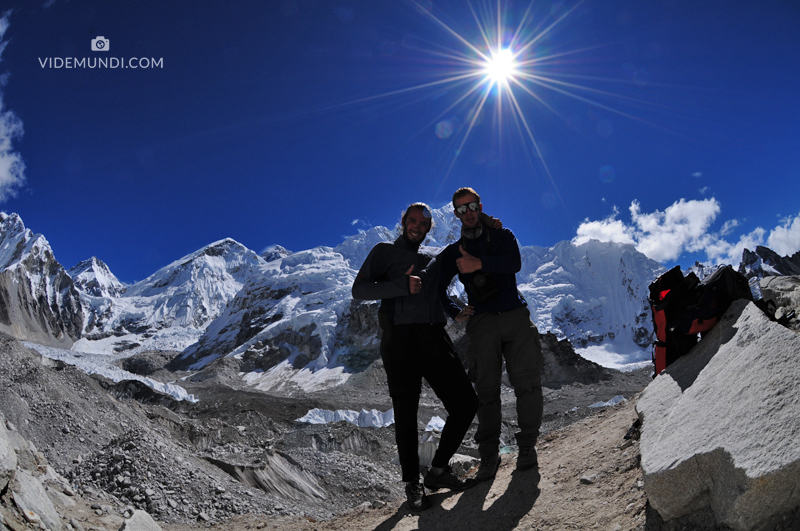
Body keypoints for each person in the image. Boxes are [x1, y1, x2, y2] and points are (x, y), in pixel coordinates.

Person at [351, 202, 481, 512]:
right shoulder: (384, 252)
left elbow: (439, 294)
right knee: (406, 415)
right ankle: (412, 485)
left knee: (466, 403)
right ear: (403, 222)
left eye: (424, 224)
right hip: (400, 342)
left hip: (434, 337)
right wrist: (399, 286)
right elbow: (359, 290)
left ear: (428, 229)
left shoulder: (430, 260)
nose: (417, 227)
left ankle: (437, 471)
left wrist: (454, 313)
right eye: (413, 221)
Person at [436, 187, 544, 482]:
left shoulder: (502, 236)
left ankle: (527, 448)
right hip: (482, 322)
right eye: (461, 209)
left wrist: (479, 264)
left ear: (479, 206)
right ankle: (488, 456)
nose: (467, 212)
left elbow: (515, 263)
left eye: (471, 206)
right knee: (486, 392)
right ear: (455, 214)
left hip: (514, 316)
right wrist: (453, 311)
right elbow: (437, 284)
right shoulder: (453, 251)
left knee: (528, 383)